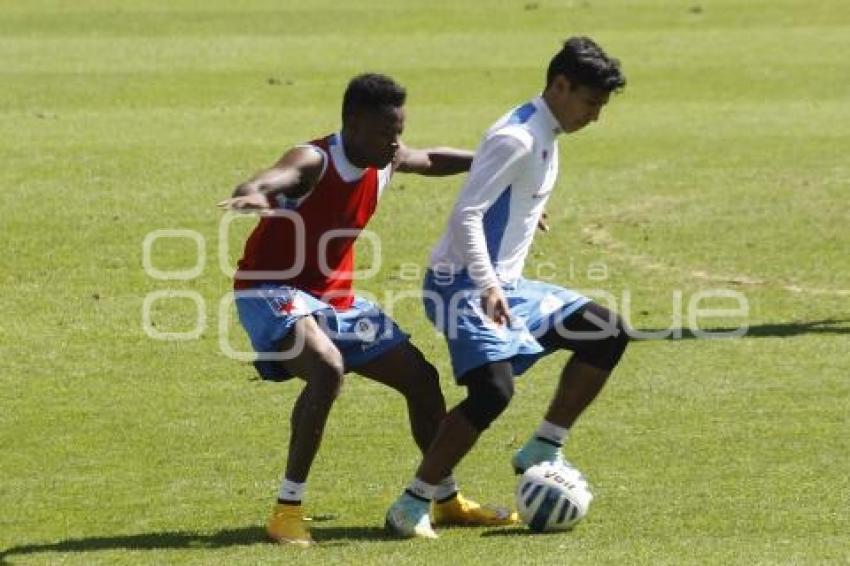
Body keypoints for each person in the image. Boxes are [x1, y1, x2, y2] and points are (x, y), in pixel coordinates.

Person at [218, 73, 516, 546]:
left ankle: (444, 497)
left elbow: (432, 158)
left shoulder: (385, 158)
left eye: (398, 131)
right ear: (353, 125)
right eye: (385, 132)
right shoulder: (315, 159)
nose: (395, 143)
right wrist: (255, 190)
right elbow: (280, 174)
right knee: (327, 370)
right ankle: (286, 511)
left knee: (421, 378)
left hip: (335, 299)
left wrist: (497, 165)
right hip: (270, 290)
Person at [385, 37, 630, 539]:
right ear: (560, 85)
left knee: (607, 330)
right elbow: (467, 214)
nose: (595, 117)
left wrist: (527, 209)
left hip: (504, 285)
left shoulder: (547, 131)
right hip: (461, 286)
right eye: (590, 103)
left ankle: (544, 445)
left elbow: (501, 197)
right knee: (493, 391)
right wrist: (488, 284)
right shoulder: (516, 137)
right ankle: (412, 504)